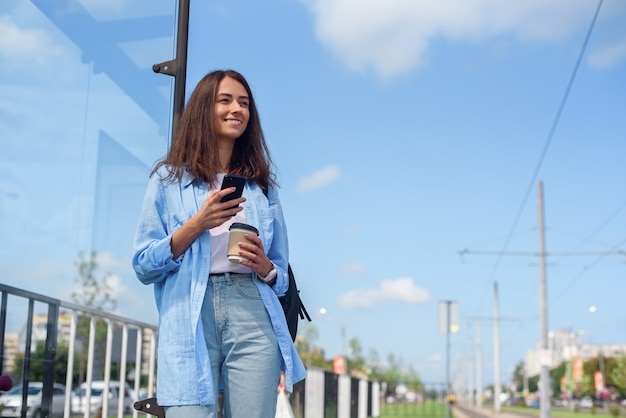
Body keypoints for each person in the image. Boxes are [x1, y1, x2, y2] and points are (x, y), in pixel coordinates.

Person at [132, 69, 306, 418]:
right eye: (224, 100)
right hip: (190, 311)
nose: (236, 109)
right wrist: (198, 223)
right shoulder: (169, 180)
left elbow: (281, 275)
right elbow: (143, 264)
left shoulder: (262, 189)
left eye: (244, 103)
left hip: (253, 309)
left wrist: (266, 267)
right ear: (202, 109)